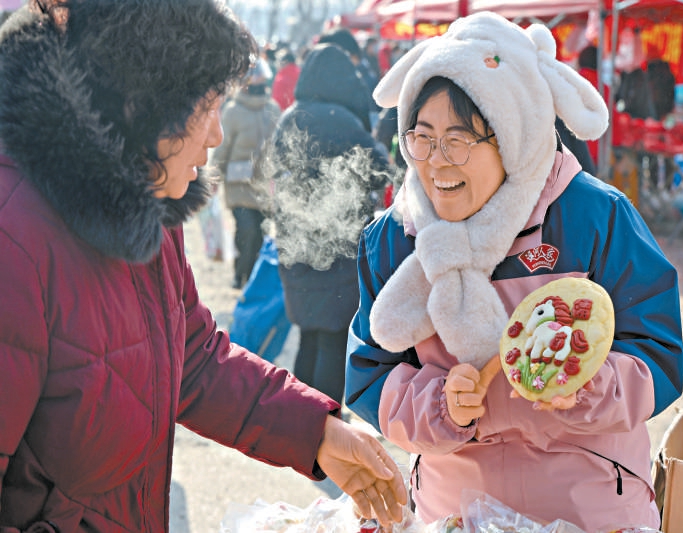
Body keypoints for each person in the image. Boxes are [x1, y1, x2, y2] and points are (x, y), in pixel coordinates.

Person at [0, 1, 407, 530]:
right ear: (144, 103)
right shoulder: (15, 235)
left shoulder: (145, 200)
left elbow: (192, 356)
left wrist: (317, 432)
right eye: (207, 106)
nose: (216, 135)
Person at [345, 12, 683, 533]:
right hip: (454, 513)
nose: (436, 162)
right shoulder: (393, 238)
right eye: (422, 138)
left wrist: (586, 385)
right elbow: (370, 375)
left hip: (592, 509)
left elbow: (658, 354)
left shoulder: (594, 217)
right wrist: (440, 405)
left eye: (458, 140)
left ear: (513, 136)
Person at [264, 42, 393, 404]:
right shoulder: (344, 121)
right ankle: (325, 421)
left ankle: (302, 414)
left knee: (308, 335)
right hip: (339, 250)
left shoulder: (290, 117)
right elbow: (379, 171)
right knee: (334, 340)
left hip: (296, 245)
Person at [208, 58, 280, 289]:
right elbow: (222, 147)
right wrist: (214, 177)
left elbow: (280, 147)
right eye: (253, 77)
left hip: (264, 187)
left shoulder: (272, 109)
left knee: (260, 234)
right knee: (246, 231)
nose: (258, 81)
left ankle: (252, 279)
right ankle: (239, 274)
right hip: (238, 185)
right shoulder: (232, 112)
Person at [271, 48, 300, 112]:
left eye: (278, 61)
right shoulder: (301, 74)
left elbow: (277, 103)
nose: (276, 64)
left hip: (285, 115)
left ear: (284, 62)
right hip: (301, 113)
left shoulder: (280, 79)